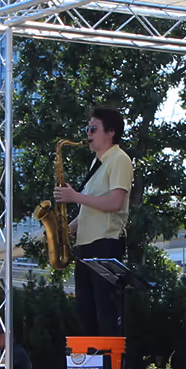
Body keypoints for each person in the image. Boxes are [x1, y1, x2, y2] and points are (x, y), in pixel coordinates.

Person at [55, 106, 134, 336]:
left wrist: (75, 196)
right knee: (86, 314)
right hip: (87, 246)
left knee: (106, 315)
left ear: (111, 132)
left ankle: (109, 360)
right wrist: (68, 229)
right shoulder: (97, 163)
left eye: (93, 129)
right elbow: (92, 207)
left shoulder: (119, 159)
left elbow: (115, 202)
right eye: (88, 129)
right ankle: (91, 360)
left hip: (105, 244)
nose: (88, 134)